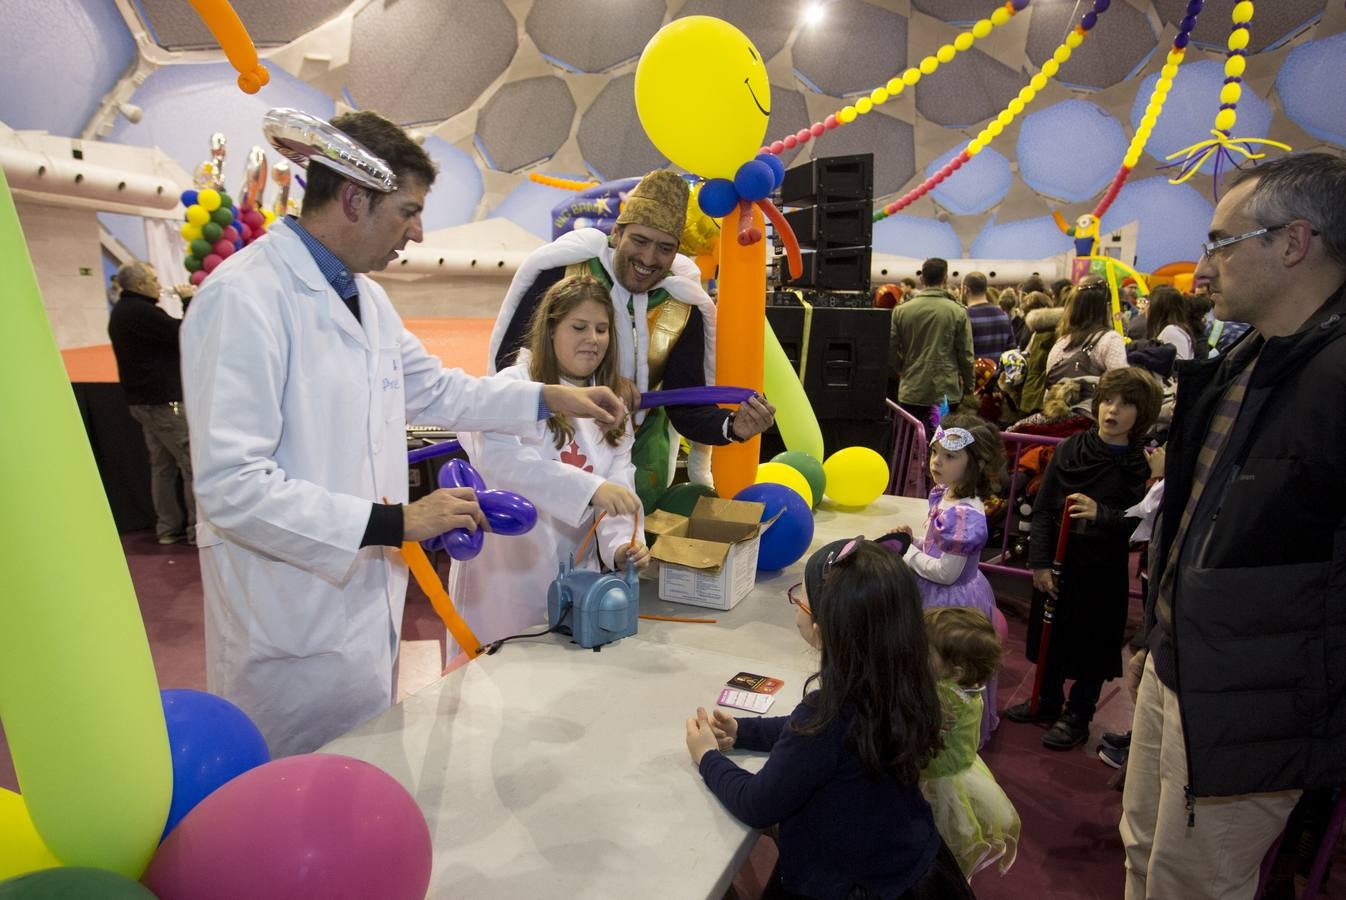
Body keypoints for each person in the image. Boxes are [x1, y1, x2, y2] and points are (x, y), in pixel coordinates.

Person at [180, 110, 626, 757]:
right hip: (286, 624)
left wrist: (551, 394)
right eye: (409, 211)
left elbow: (445, 391)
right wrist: (397, 523)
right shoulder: (244, 298)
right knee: (287, 801)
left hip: (362, 614)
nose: (417, 232)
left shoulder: (370, 302)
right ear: (355, 199)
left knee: (357, 776)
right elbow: (232, 488)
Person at [1121, 152, 1346, 900]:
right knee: (1146, 852)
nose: (1202, 269)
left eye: (1220, 243)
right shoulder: (1247, 358)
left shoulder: (1331, 376)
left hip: (1256, 695)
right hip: (1178, 658)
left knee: (1194, 883)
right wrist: (1153, 632)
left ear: (1293, 243)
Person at [683, 539, 974, 900]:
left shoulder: (829, 715)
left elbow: (758, 803)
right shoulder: (899, 683)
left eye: (800, 599)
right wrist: (744, 731)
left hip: (841, 885)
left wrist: (707, 757)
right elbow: (804, 731)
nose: (795, 608)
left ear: (822, 633)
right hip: (908, 865)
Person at [488, 170, 775, 511]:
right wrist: (597, 386)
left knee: (624, 548)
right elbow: (513, 362)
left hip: (638, 466)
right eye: (639, 241)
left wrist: (733, 426)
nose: (649, 259)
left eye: (665, 248)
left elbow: (688, 406)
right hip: (549, 449)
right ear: (617, 233)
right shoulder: (561, 273)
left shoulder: (684, 305)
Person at [448, 275, 649, 653]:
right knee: (496, 688)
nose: (593, 338)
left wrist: (624, 545)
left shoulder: (610, 406)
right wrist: (590, 490)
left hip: (577, 580)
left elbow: (620, 491)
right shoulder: (513, 387)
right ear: (550, 329)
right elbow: (502, 463)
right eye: (579, 327)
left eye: (602, 329)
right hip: (506, 580)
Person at [1007, 367, 1163, 750]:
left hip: (1104, 568)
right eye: (1108, 401)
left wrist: (1103, 514)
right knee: (1051, 633)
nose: (1112, 411)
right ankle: (1046, 700)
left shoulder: (1143, 464)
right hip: (1062, 562)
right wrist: (1040, 564)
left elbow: (1142, 525)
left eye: (1126, 405)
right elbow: (1044, 509)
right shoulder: (1071, 449)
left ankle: (1078, 714)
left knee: (1093, 642)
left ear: (1141, 414)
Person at [892, 413, 1007, 746]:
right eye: (934, 452)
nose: (936, 462)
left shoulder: (965, 515)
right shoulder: (946, 495)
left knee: (943, 667)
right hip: (934, 589)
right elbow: (936, 547)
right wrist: (914, 542)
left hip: (950, 600)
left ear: (976, 464)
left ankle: (942, 733)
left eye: (950, 456)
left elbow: (946, 572)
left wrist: (907, 554)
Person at [921, 606, 1021, 879]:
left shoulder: (947, 697)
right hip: (961, 768)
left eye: (927, 652)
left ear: (956, 669)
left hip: (939, 778)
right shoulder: (966, 686)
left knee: (940, 836)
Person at [107, 261, 196, 545]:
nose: (159, 285)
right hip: (163, 403)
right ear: (140, 285)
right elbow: (188, 333)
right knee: (191, 465)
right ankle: (197, 530)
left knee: (162, 466)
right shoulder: (141, 313)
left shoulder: (122, 313)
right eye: (154, 279)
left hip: (143, 402)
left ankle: (168, 528)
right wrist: (189, 301)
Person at [890, 257, 974, 435]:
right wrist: (969, 388)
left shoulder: (901, 310)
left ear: (922, 279)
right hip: (944, 393)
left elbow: (890, 348)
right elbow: (966, 354)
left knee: (907, 442)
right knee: (941, 444)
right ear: (945, 279)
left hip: (911, 389)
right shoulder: (957, 311)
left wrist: (902, 369)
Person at [1043, 278, 1129, 393]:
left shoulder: (1060, 343)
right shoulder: (1110, 340)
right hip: (1092, 408)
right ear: (1105, 307)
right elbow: (1123, 386)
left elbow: (1049, 390)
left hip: (1058, 409)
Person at [963, 271, 1014, 360]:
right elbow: (1011, 351)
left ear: (966, 289)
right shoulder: (1004, 316)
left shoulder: (964, 316)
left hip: (973, 372)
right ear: (985, 289)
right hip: (999, 372)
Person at [1143, 286, 1195, 361]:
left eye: (1148, 303)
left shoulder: (1171, 332)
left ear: (1157, 307)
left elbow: (1178, 367)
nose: (1146, 308)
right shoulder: (1171, 330)